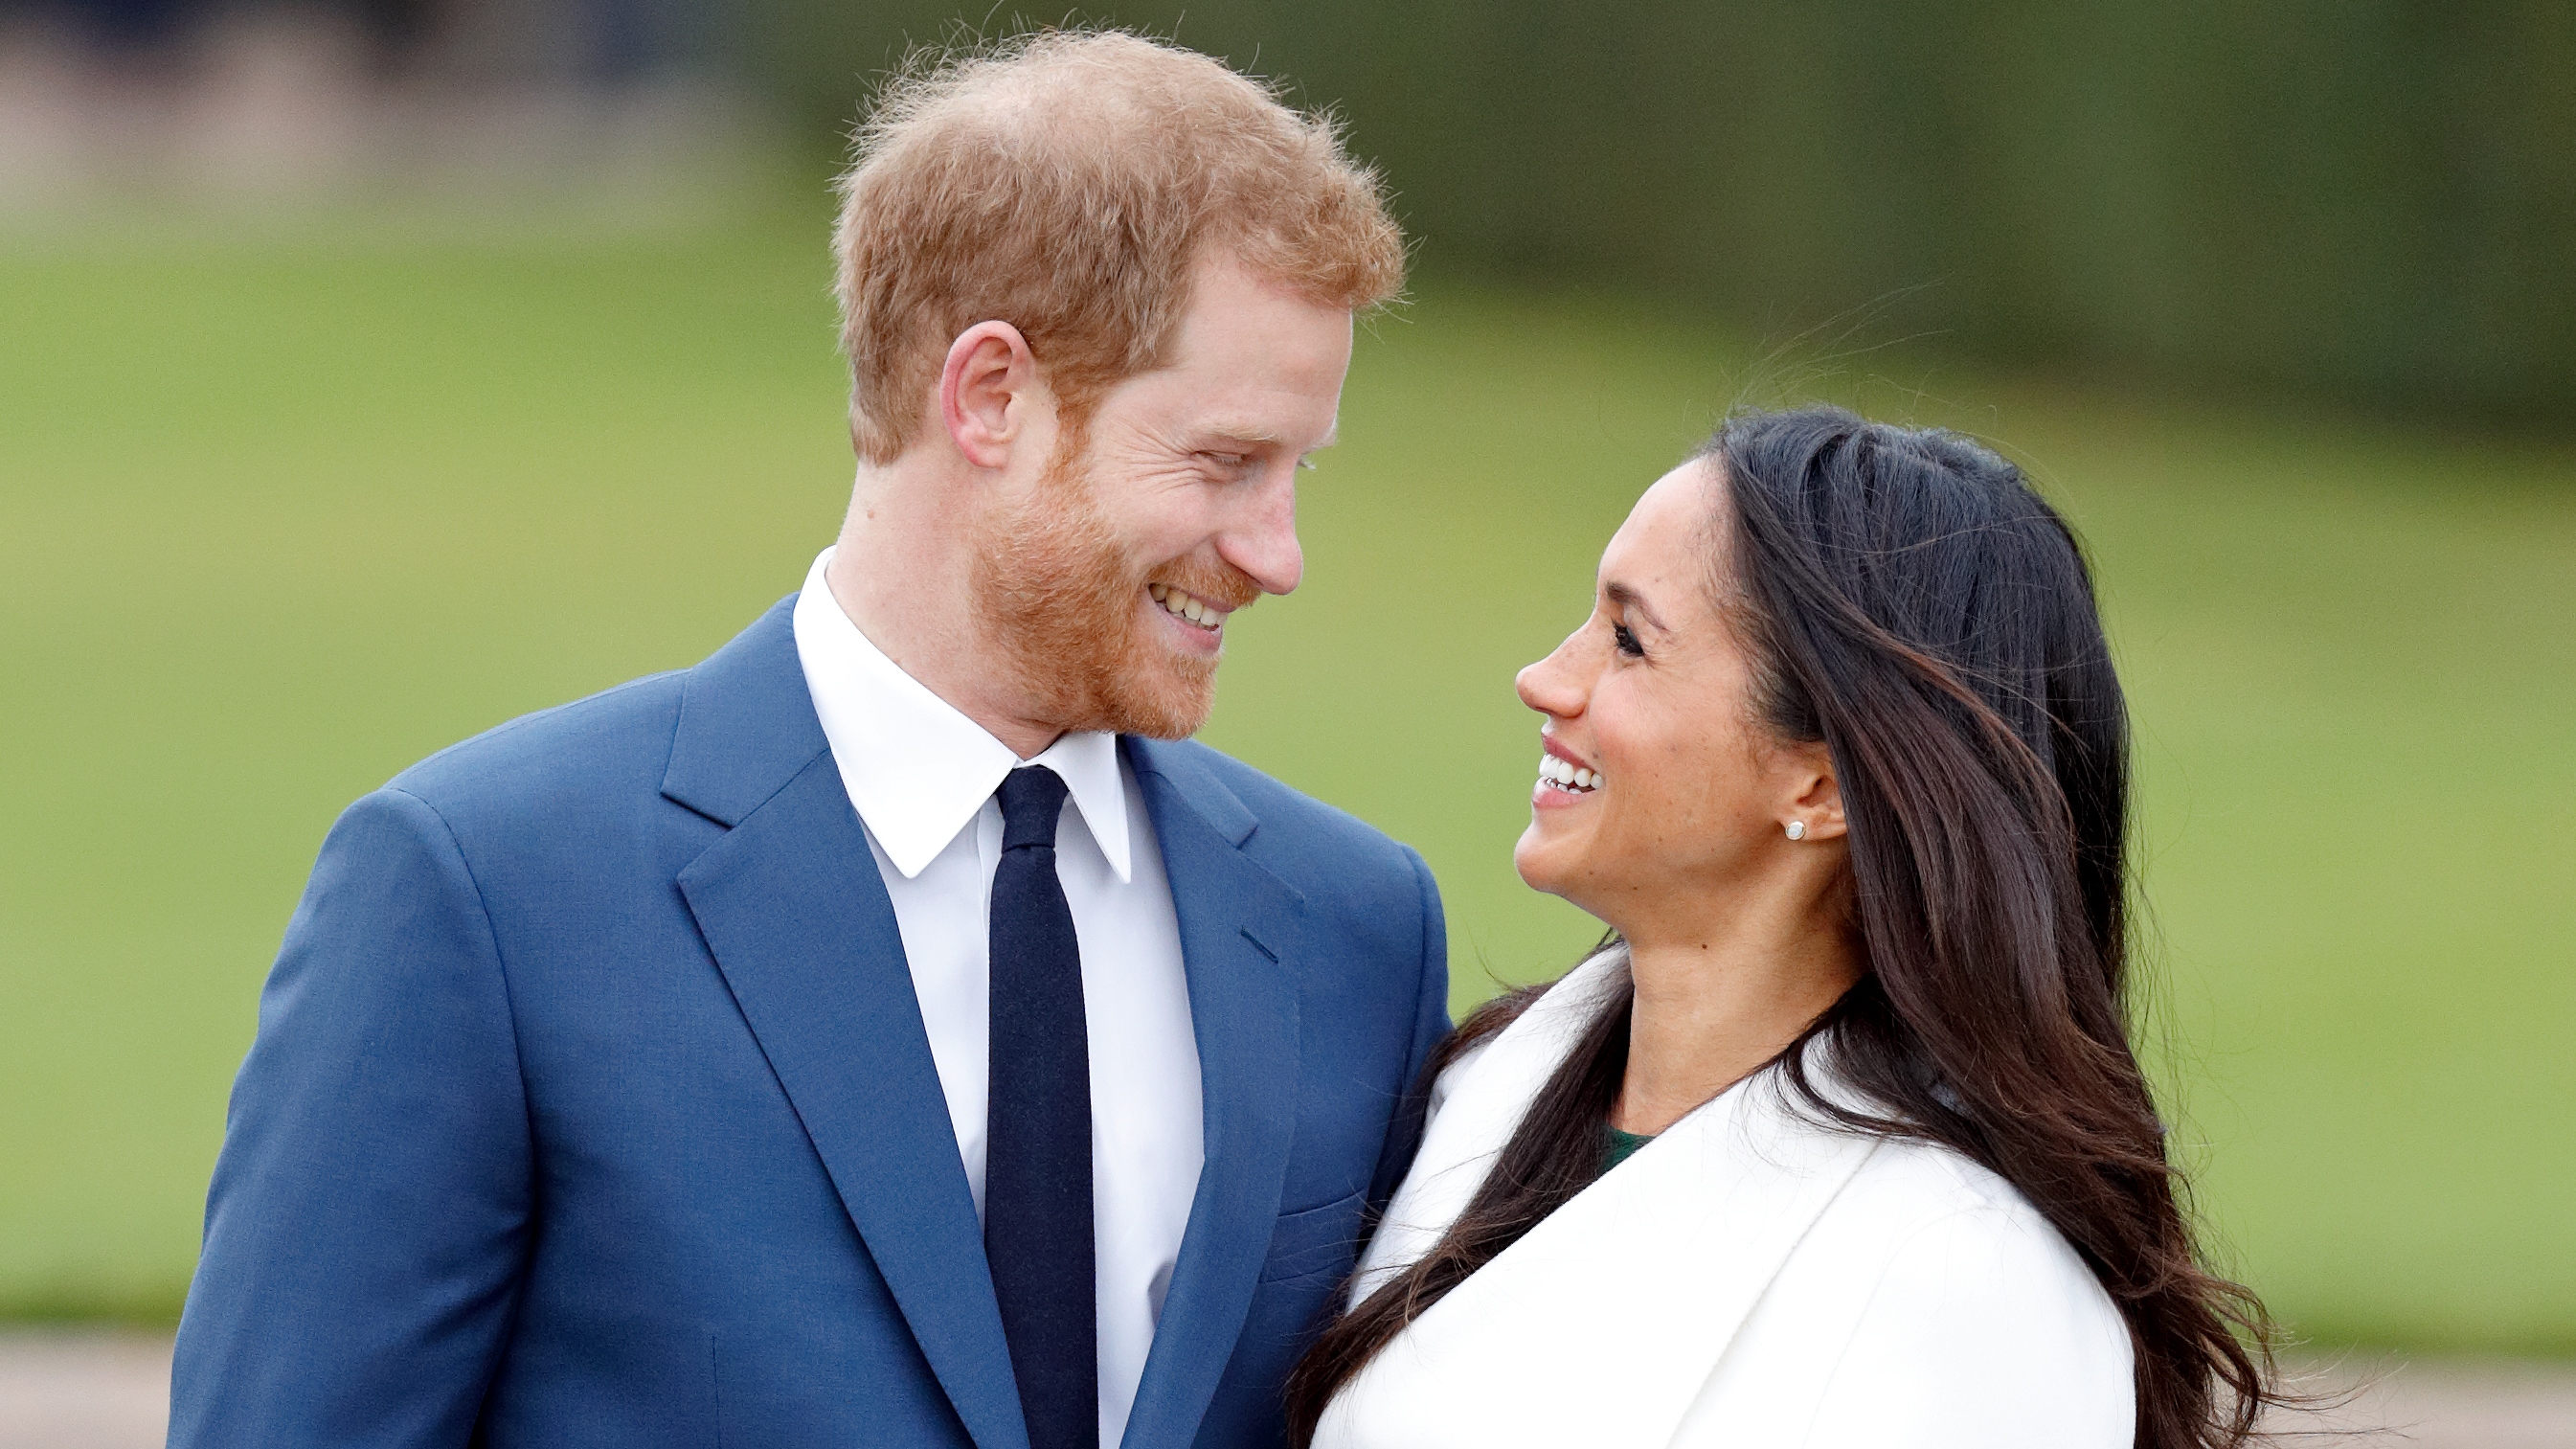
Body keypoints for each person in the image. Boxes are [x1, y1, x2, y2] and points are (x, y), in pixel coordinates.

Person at [169, 31, 1443, 1449]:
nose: (1278, 554)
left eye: (1297, 470)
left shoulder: (1356, 931)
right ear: (990, 396)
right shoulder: (486, 895)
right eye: (1224, 462)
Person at [1290, 408, 2281, 1448]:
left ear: (1819, 783)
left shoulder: (1961, 1278)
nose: (1544, 678)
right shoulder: (1483, 1085)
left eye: (1628, 641)